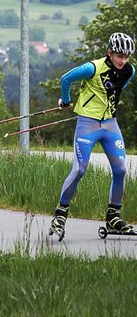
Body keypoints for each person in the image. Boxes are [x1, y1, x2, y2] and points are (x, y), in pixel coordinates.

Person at [49, 32, 136, 239]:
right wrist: (66, 100)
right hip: (87, 124)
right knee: (80, 169)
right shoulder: (92, 68)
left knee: (121, 169)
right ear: (109, 53)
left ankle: (113, 216)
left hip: (110, 125)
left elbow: (116, 91)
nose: (122, 60)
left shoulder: (129, 71)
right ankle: (60, 214)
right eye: (118, 55)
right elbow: (66, 78)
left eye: (126, 56)